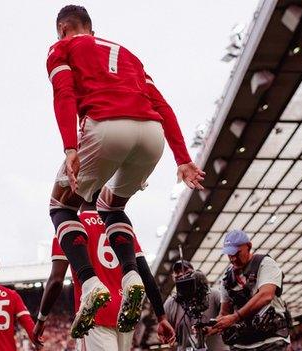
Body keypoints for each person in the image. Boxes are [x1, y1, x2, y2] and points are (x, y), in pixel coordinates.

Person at [45, 4, 206, 337]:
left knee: (61, 205)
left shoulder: (61, 48)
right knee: (111, 206)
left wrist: (70, 148)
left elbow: (64, 94)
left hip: (106, 127)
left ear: (63, 29)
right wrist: (182, 157)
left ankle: (90, 283)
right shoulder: (127, 54)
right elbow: (161, 103)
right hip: (152, 134)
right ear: (92, 27)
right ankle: (131, 274)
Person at [33, 205, 175, 350]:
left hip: (94, 313)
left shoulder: (70, 225)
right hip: (125, 313)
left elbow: (56, 280)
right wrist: (161, 317)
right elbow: (145, 274)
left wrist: (41, 320)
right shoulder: (119, 224)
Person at [207, 230, 290, 351]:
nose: (233, 258)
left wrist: (235, 317)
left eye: (237, 253)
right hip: (241, 345)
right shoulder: (227, 278)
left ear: (249, 246)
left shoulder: (265, 263)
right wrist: (211, 328)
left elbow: (266, 295)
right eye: (229, 254)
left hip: (271, 341)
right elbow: (224, 313)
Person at [163, 261, 229, 350]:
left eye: (185, 270)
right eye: (177, 272)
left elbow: (228, 316)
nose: (181, 274)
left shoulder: (214, 294)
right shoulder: (169, 304)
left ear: (195, 273)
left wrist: (212, 329)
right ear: (173, 277)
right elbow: (164, 332)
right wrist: (167, 336)